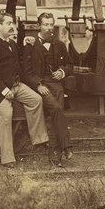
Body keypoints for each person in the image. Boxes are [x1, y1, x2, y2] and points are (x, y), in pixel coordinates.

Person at [0, 13, 49, 168]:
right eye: (8, 23)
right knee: (6, 115)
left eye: (12, 23)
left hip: (16, 86)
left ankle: (38, 140)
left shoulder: (10, 43)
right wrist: (4, 91)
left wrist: (25, 44)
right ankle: (7, 157)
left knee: (36, 99)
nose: (12, 26)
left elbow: (16, 64)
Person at [22, 12, 74, 166]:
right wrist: (38, 85)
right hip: (42, 85)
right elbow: (26, 73)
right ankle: (67, 146)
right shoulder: (30, 46)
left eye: (51, 24)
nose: (48, 28)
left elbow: (70, 65)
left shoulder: (59, 44)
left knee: (54, 118)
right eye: (45, 24)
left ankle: (55, 159)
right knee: (57, 110)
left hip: (56, 84)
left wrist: (62, 71)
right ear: (39, 26)